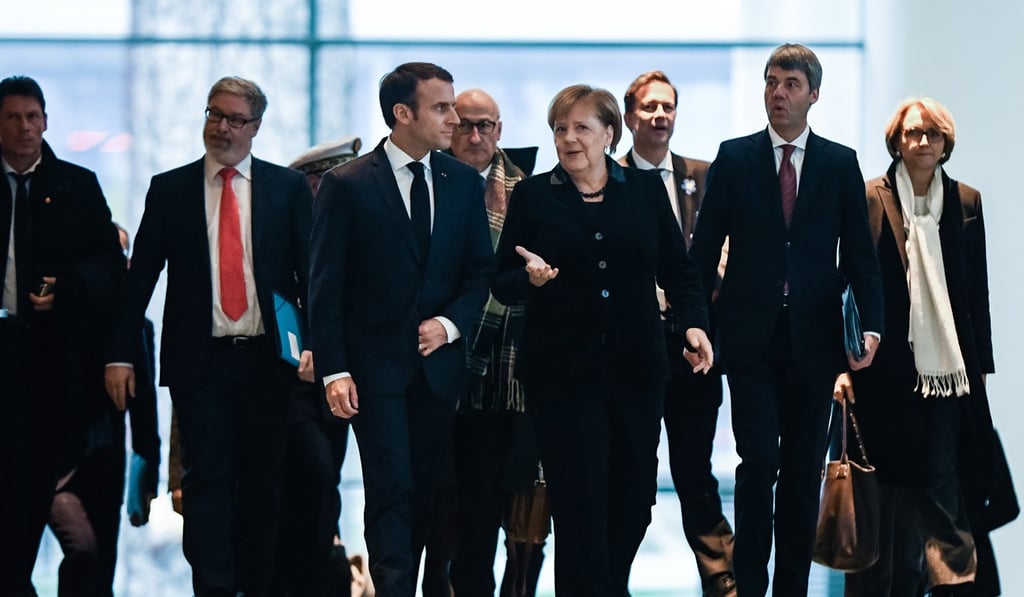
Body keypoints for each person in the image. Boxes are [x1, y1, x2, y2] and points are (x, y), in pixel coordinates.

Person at [492, 83, 713, 597]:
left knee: (634, 500)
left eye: (581, 128)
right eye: (560, 129)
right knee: (580, 506)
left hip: (637, 373)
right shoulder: (533, 195)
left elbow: (679, 271)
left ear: (610, 134)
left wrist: (694, 324)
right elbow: (501, 281)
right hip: (563, 378)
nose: (569, 139)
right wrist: (530, 279)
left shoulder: (642, 192)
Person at [104, 76, 314, 597]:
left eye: (235, 119)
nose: (221, 127)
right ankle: (213, 589)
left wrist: (318, 346)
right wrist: (119, 355)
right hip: (202, 363)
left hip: (269, 361)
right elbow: (141, 279)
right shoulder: (170, 188)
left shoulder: (285, 190)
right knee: (206, 487)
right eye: (214, 114)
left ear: (256, 128)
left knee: (263, 485)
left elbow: (313, 276)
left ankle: (255, 586)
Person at [688, 43, 884, 597]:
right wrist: (695, 323)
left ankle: (791, 589)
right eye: (771, 81)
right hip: (749, 339)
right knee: (759, 464)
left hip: (814, 342)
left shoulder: (840, 163)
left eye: (791, 84)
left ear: (813, 95)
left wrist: (871, 326)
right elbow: (703, 253)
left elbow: (860, 259)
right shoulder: (736, 157)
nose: (778, 92)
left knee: (801, 475)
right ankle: (750, 586)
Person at [307, 62, 494, 596]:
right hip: (372, 373)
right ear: (402, 113)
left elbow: (478, 271)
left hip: (438, 372)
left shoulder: (460, 181)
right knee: (390, 490)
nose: (454, 119)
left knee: (427, 495)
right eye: (441, 108)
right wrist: (335, 369)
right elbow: (326, 286)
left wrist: (449, 325)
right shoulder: (347, 184)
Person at [836, 97, 996, 597]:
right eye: (912, 132)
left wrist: (981, 371)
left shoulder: (966, 201)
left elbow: (977, 292)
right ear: (896, 141)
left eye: (932, 133)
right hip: (882, 372)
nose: (922, 141)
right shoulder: (869, 197)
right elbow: (849, 286)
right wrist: (840, 365)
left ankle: (938, 587)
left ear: (946, 142)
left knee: (941, 487)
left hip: (949, 375)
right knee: (881, 492)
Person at [0, 75, 126, 597]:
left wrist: (66, 291)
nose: (25, 128)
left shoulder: (78, 184)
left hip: (55, 367)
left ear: (47, 121)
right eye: (12, 118)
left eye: (33, 117)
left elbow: (109, 268)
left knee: (48, 508)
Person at [618, 70, 736, 597]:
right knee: (631, 475)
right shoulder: (608, 177)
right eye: (648, 107)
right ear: (628, 117)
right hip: (631, 353)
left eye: (667, 107)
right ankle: (606, 579)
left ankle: (722, 580)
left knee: (694, 471)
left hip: (694, 350)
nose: (659, 115)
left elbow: (730, 251)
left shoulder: (706, 176)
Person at [448, 87, 548, 597]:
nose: (475, 135)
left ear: (500, 130)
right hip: (456, 377)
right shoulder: (435, 187)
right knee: (467, 515)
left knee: (529, 517)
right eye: (465, 124)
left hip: (523, 376)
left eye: (485, 125)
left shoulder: (529, 192)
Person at [44, 223, 161, 597]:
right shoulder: (54, 318)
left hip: (105, 460)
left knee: (102, 570)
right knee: (84, 550)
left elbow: (144, 406)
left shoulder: (138, 328)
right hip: (53, 462)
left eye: (122, 256)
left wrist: (145, 479)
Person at [271, 135, 361, 597]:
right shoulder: (287, 237)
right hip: (290, 386)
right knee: (314, 475)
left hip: (337, 384)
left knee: (325, 495)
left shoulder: (351, 240)